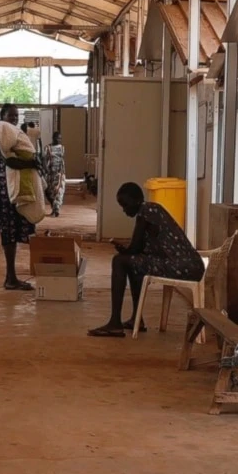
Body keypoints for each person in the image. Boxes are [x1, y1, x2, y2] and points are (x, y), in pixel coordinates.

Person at [88, 182, 205, 338]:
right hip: (189, 265)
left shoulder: (147, 211)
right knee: (132, 263)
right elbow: (139, 250)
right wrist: (127, 251)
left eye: (125, 205)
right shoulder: (152, 210)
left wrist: (124, 250)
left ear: (137, 201)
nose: (124, 210)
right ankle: (137, 318)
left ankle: (115, 323)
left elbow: (135, 247)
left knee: (119, 261)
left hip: (182, 266)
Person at [0, 104, 44, 290]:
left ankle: (12, 276)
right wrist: (31, 162)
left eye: (16, 115)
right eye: (10, 115)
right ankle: (10, 277)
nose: (14, 118)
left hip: (15, 191)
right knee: (8, 233)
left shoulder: (13, 135)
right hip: (5, 194)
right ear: (1, 116)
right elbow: (9, 160)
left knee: (15, 231)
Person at [44, 131, 66, 217]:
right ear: (53, 138)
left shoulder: (62, 148)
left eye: (60, 138)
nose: (59, 140)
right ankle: (54, 206)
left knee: (59, 191)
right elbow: (45, 159)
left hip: (59, 173)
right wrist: (45, 169)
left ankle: (56, 209)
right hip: (50, 173)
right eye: (57, 138)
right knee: (48, 191)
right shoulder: (48, 148)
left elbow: (62, 160)